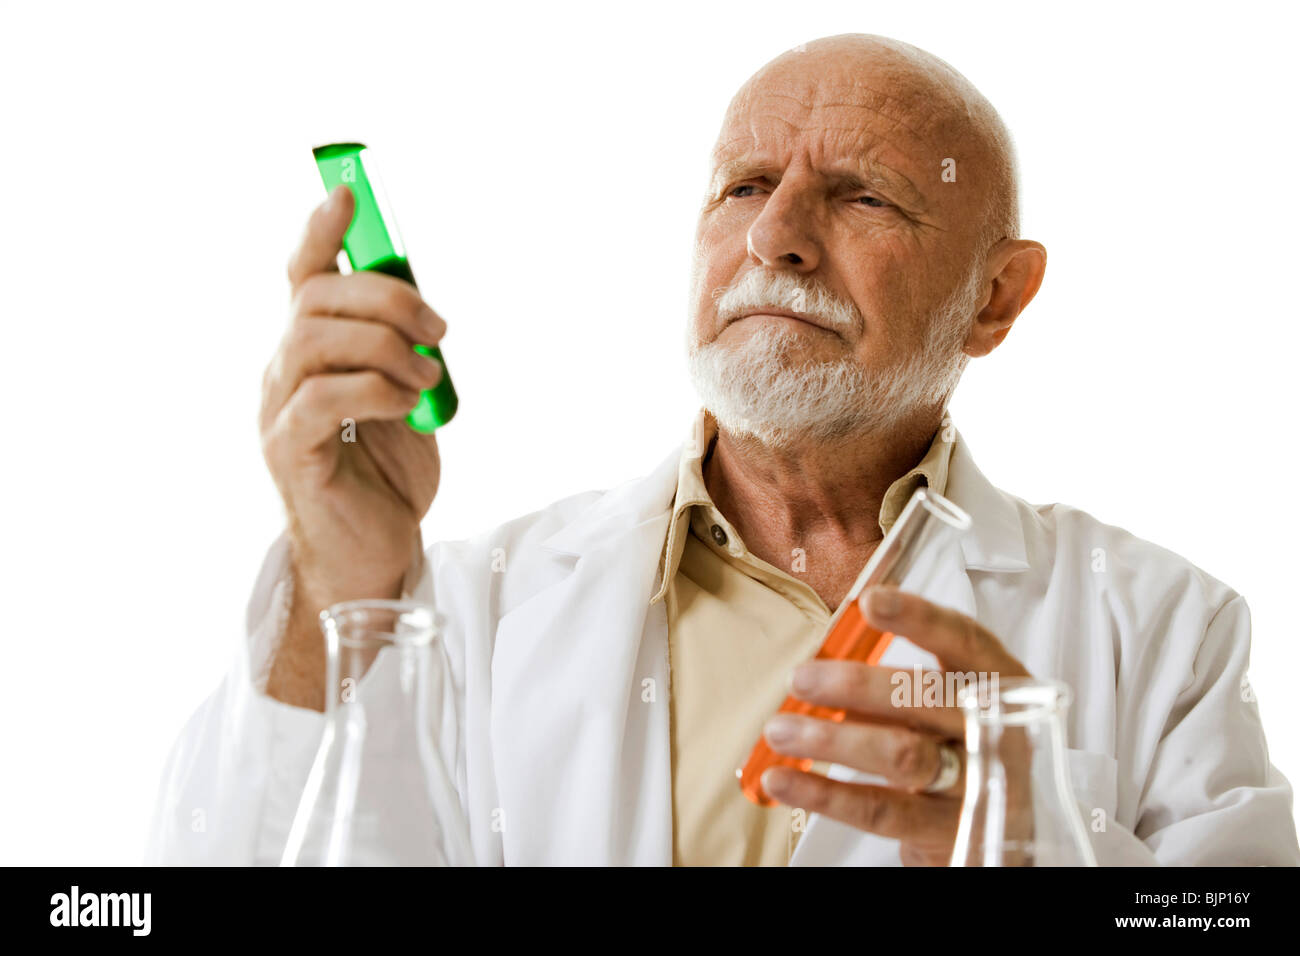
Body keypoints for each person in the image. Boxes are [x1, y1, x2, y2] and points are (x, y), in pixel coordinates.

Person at [147, 34, 1300, 866]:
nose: (774, 235)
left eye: (863, 198)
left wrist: (1044, 849)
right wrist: (336, 573)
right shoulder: (472, 612)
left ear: (995, 298)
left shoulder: (1161, 626)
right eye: (745, 184)